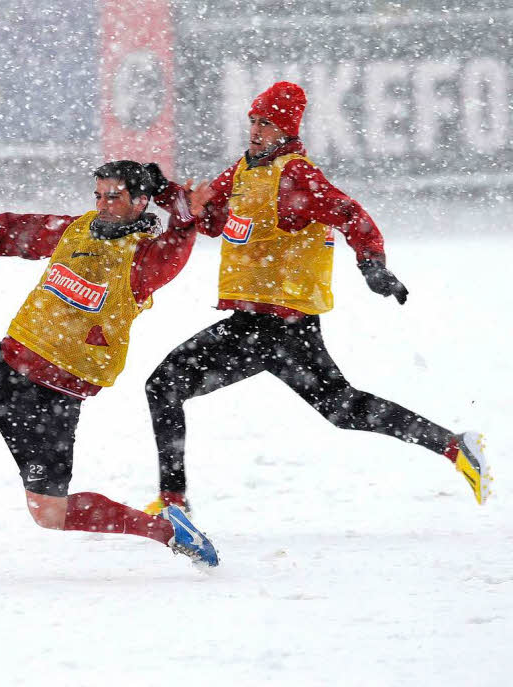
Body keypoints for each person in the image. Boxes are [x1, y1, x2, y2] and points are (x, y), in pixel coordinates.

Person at [142, 82, 492, 517]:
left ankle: (174, 503)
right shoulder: (246, 170)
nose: (255, 130)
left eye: (265, 123)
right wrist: (165, 192)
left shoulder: (295, 175)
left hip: (269, 323)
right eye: (252, 121)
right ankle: (454, 447)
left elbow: (351, 215)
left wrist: (372, 265)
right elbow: (211, 221)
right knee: (343, 408)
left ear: (286, 130)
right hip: (281, 326)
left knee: (163, 385)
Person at [0, 160, 219, 567]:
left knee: (49, 513)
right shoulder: (75, 229)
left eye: (114, 196)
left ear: (141, 202)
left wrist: (179, 206)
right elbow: (8, 230)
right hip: (1, 365)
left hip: (49, 401)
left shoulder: (145, 260)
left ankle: (169, 530)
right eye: (98, 195)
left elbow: (181, 232)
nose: (103, 204)